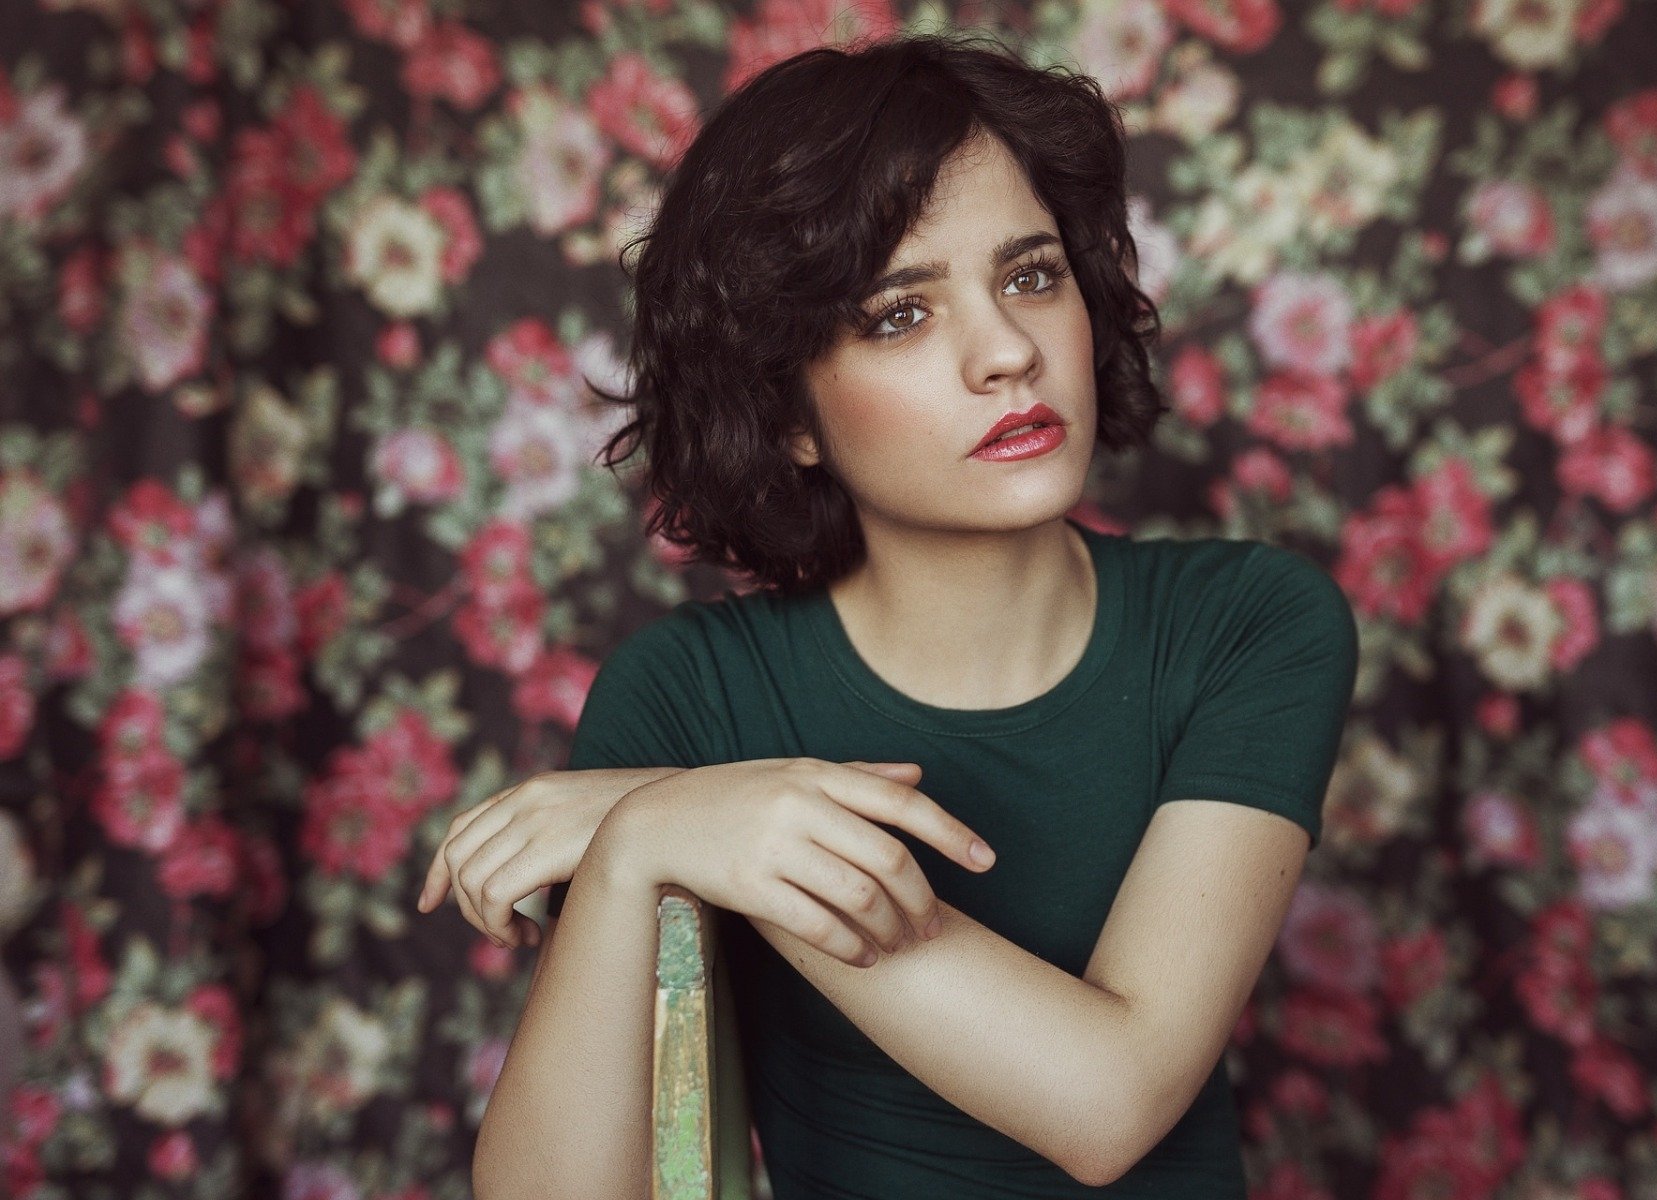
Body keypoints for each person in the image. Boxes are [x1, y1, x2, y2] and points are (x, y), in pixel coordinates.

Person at [420, 29, 1359, 1200]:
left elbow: (1110, 1103)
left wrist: (714, 833)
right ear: (788, 416)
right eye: (899, 315)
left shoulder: (1249, 624)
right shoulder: (689, 697)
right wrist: (646, 846)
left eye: (1031, 275)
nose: (1010, 352)